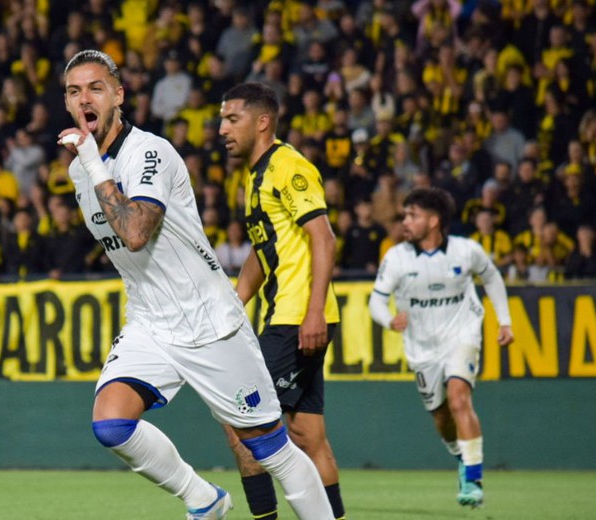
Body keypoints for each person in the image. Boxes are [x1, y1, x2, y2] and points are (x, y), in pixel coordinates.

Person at [57, 50, 334, 520]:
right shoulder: (78, 171)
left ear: (119, 96)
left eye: (96, 88)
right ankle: (204, 499)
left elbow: (136, 232)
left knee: (272, 449)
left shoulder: (150, 152)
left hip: (208, 320)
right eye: (74, 91)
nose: (85, 98)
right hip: (150, 322)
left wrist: (93, 161)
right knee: (111, 424)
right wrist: (89, 162)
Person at [218, 81, 346, 520]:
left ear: (262, 121)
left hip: (297, 317)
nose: (223, 128)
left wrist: (313, 312)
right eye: (222, 119)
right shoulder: (255, 175)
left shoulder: (289, 166)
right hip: (291, 313)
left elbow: (323, 237)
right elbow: (262, 247)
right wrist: (237, 299)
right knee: (307, 433)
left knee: (241, 420)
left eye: (232, 118)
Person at [368, 187, 515, 509]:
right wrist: (388, 320)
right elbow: (376, 300)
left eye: (413, 215)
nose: (405, 221)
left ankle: (474, 479)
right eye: (405, 214)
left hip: (462, 334)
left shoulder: (466, 251)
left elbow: (492, 278)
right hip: (422, 347)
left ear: (434, 221)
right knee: (441, 417)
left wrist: (505, 321)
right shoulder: (396, 257)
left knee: (459, 397)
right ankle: (463, 455)